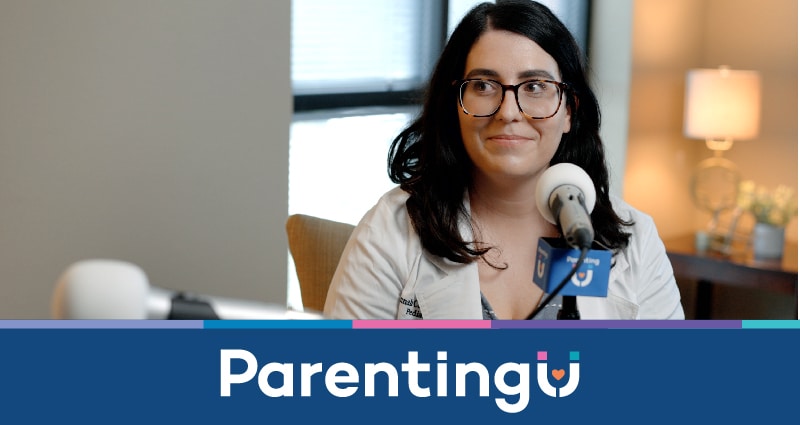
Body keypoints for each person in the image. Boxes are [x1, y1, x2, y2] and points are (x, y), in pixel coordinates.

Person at [323, 0, 684, 320]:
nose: (509, 111)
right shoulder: (391, 230)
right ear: (456, 105)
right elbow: (347, 378)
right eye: (483, 86)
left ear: (569, 111)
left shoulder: (636, 240)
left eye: (536, 86)